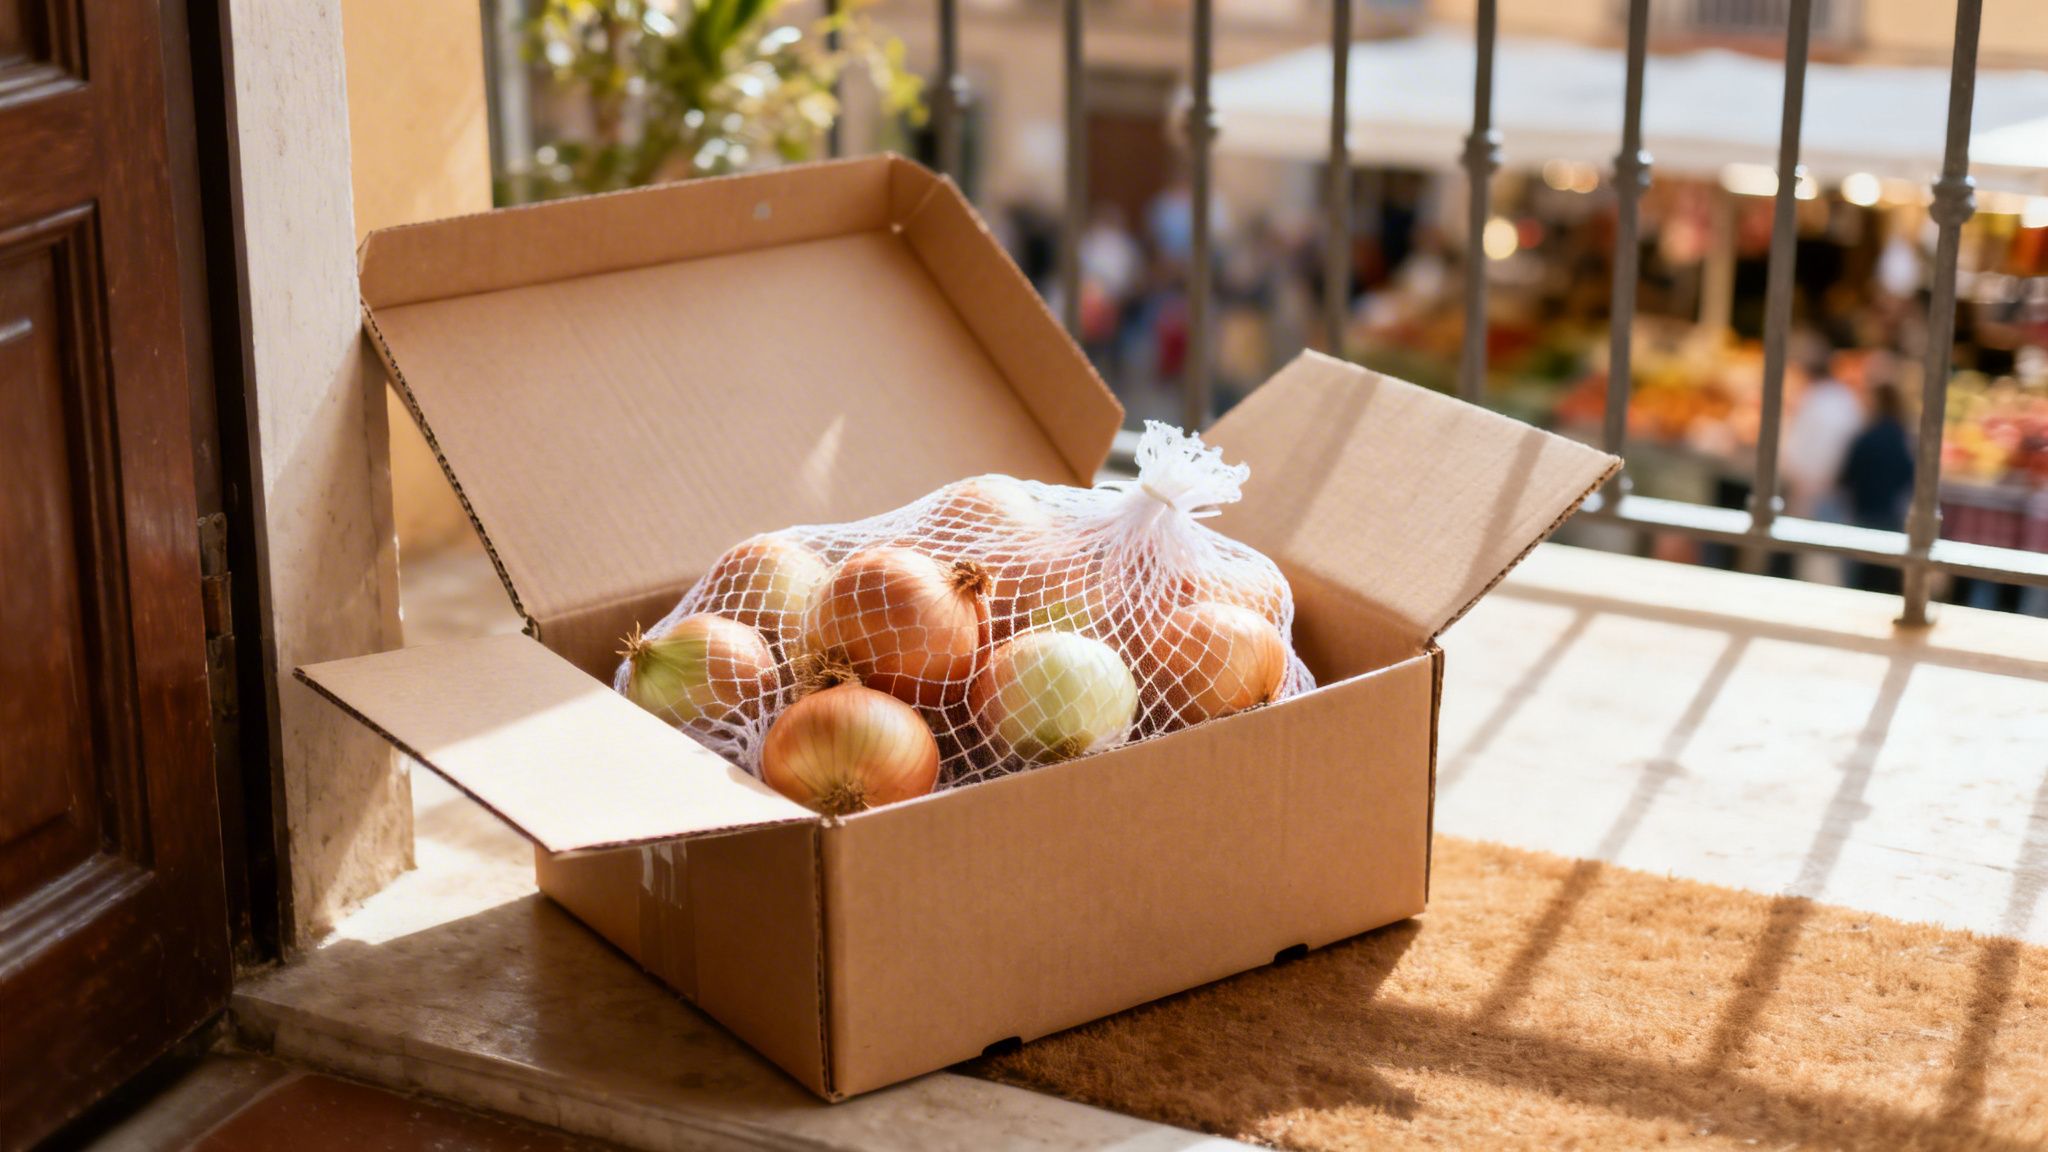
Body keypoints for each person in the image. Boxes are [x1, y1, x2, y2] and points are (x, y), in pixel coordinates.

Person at [1779, 335, 1864, 584]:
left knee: (1815, 567)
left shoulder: (1816, 401)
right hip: (1836, 492)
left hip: (1815, 494)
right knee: (1827, 562)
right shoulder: (1844, 398)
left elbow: (1796, 453)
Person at [1838, 383, 1916, 594]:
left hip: (1866, 511)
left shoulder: (1868, 437)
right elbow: (1909, 474)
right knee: (1885, 576)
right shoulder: (1901, 437)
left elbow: (1846, 475)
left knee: (1861, 577)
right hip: (1890, 512)